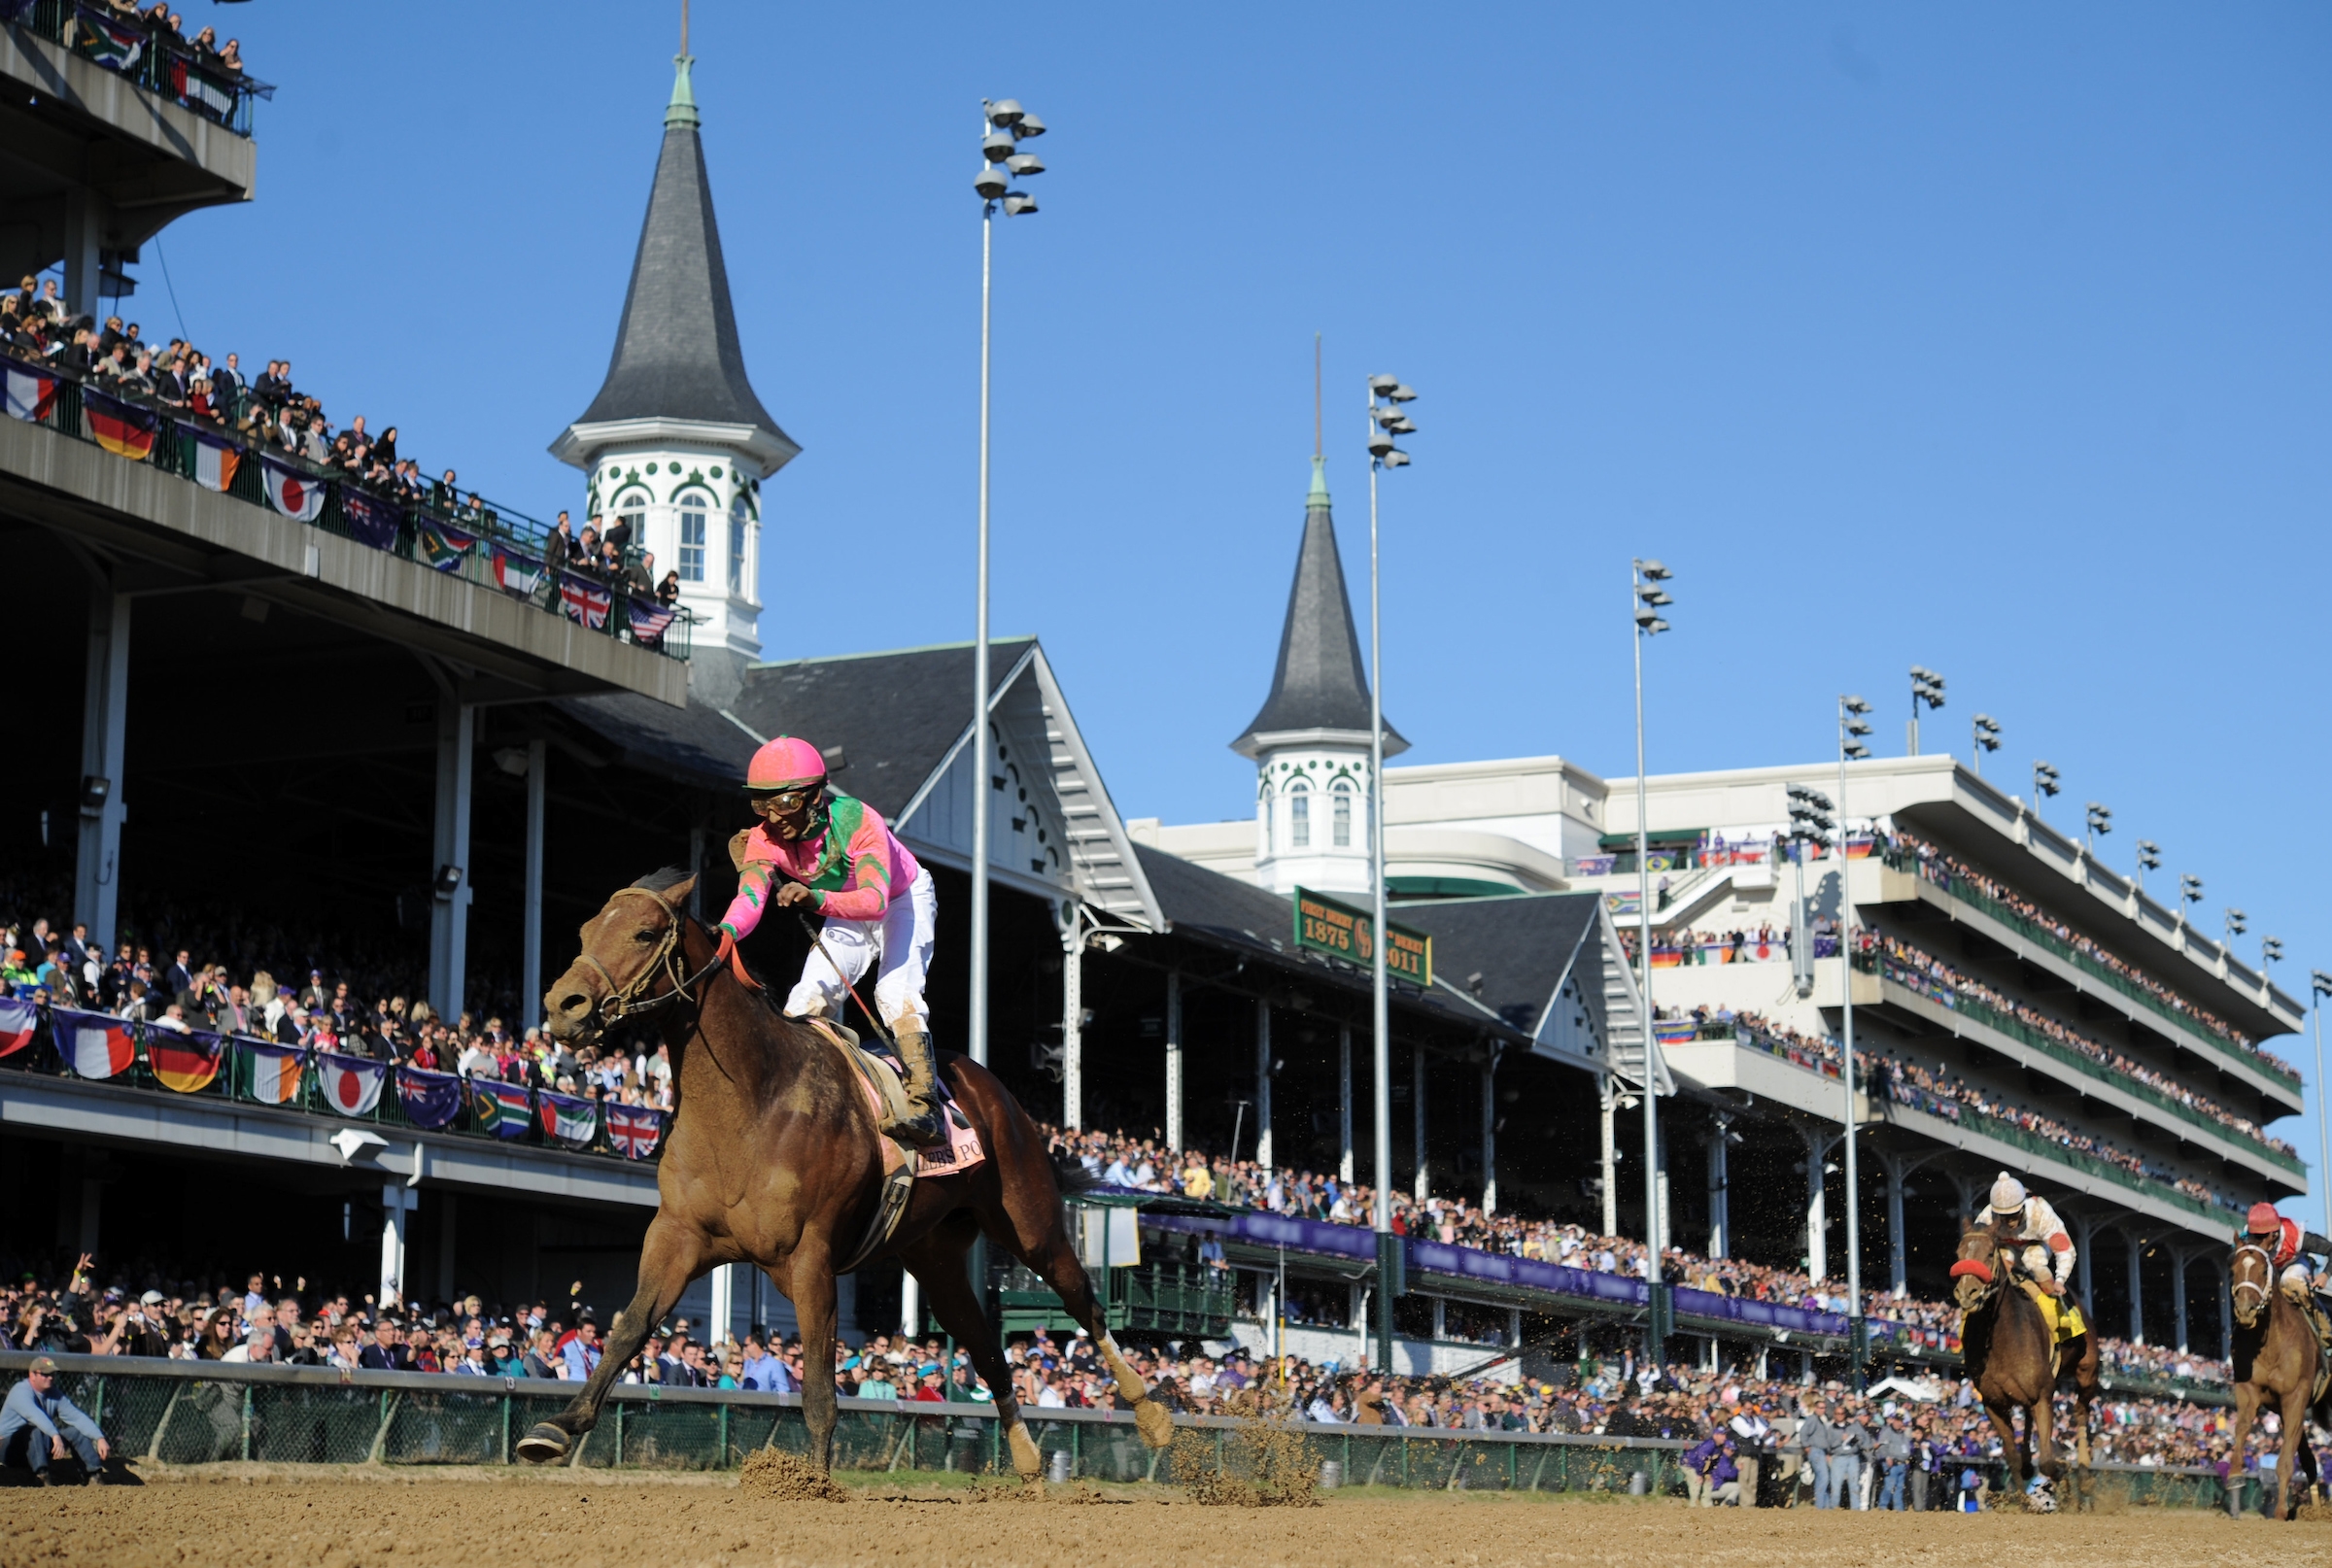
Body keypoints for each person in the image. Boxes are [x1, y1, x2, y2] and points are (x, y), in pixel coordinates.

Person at [716, 735, 944, 1148]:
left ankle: (925, 1106)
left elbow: (874, 902)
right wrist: (726, 933)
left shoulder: (857, 819)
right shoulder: (764, 838)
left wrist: (816, 897)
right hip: (843, 907)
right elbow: (749, 898)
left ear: (815, 796)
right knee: (803, 1002)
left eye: (784, 803)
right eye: (760, 804)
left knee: (894, 993)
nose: (773, 817)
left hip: (901, 898)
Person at [0, 1357, 109, 1485]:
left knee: (75, 1431)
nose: (50, 1378)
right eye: (45, 1374)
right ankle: (42, 1477)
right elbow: (35, 1415)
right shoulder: (20, 1391)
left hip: (39, 1446)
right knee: (33, 1429)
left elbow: (77, 1417)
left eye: (52, 1374)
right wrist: (55, 1435)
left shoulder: (54, 1394)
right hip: (9, 1449)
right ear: (32, 1375)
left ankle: (94, 1474)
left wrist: (99, 1437)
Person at [2241, 1202, 2332, 1348]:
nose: (2258, 1241)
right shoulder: (2248, 1237)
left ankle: (2325, 1327)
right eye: (2255, 1236)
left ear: (2274, 1233)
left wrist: (2325, 1275)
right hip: (2271, 1269)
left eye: (2263, 1236)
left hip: (2295, 1263)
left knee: (2289, 1280)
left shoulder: (2295, 1236)